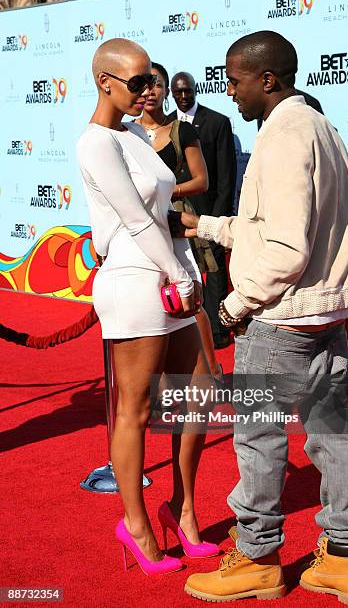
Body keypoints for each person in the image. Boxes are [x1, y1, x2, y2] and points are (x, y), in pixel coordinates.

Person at [177, 31, 348, 604]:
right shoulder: (318, 127)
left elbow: (285, 250)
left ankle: (259, 558)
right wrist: (204, 226)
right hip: (323, 317)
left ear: (268, 79)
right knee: (332, 434)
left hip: (279, 318)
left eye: (234, 80)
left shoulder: (285, 136)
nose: (227, 91)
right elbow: (270, 229)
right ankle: (345, 559)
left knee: (258, 439)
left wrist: (233, 306)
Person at [76, 38, 219, 577]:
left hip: (170, 273)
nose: (147, 91)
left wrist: (187, 268)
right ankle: (135, 524)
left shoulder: (136, 133)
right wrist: (178, 273)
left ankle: (181, 509)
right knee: (136, 409)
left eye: (150, 82)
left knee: (201, 391)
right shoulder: (94, 143)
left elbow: (163, 208)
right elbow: (135, 220)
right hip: (135, 281)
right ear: (104, 82)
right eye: (136, 83)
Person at [136, 61, 223, 380]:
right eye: (144, 84)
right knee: (148, 298)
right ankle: (160, 379)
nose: (150, 91)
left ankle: (212, 370)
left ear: (166, 90)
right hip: (138, 229)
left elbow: (201, 180)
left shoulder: (180, 130)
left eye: (157, 84)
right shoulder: (125, 132)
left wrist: (164, 191)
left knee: (189, 298)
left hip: (172, 225)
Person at [169, 72, 237, 350]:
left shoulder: (217, 122)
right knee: (186, 269)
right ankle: (189, 330)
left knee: (216, 270)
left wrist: (219, 216)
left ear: (196, 90)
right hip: (177, 212)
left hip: (210, 211)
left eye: (188, 91)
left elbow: (226, 176)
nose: (184, 97)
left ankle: (219, 332)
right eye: (178, 93)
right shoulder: (165, 125)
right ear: (171, 94)